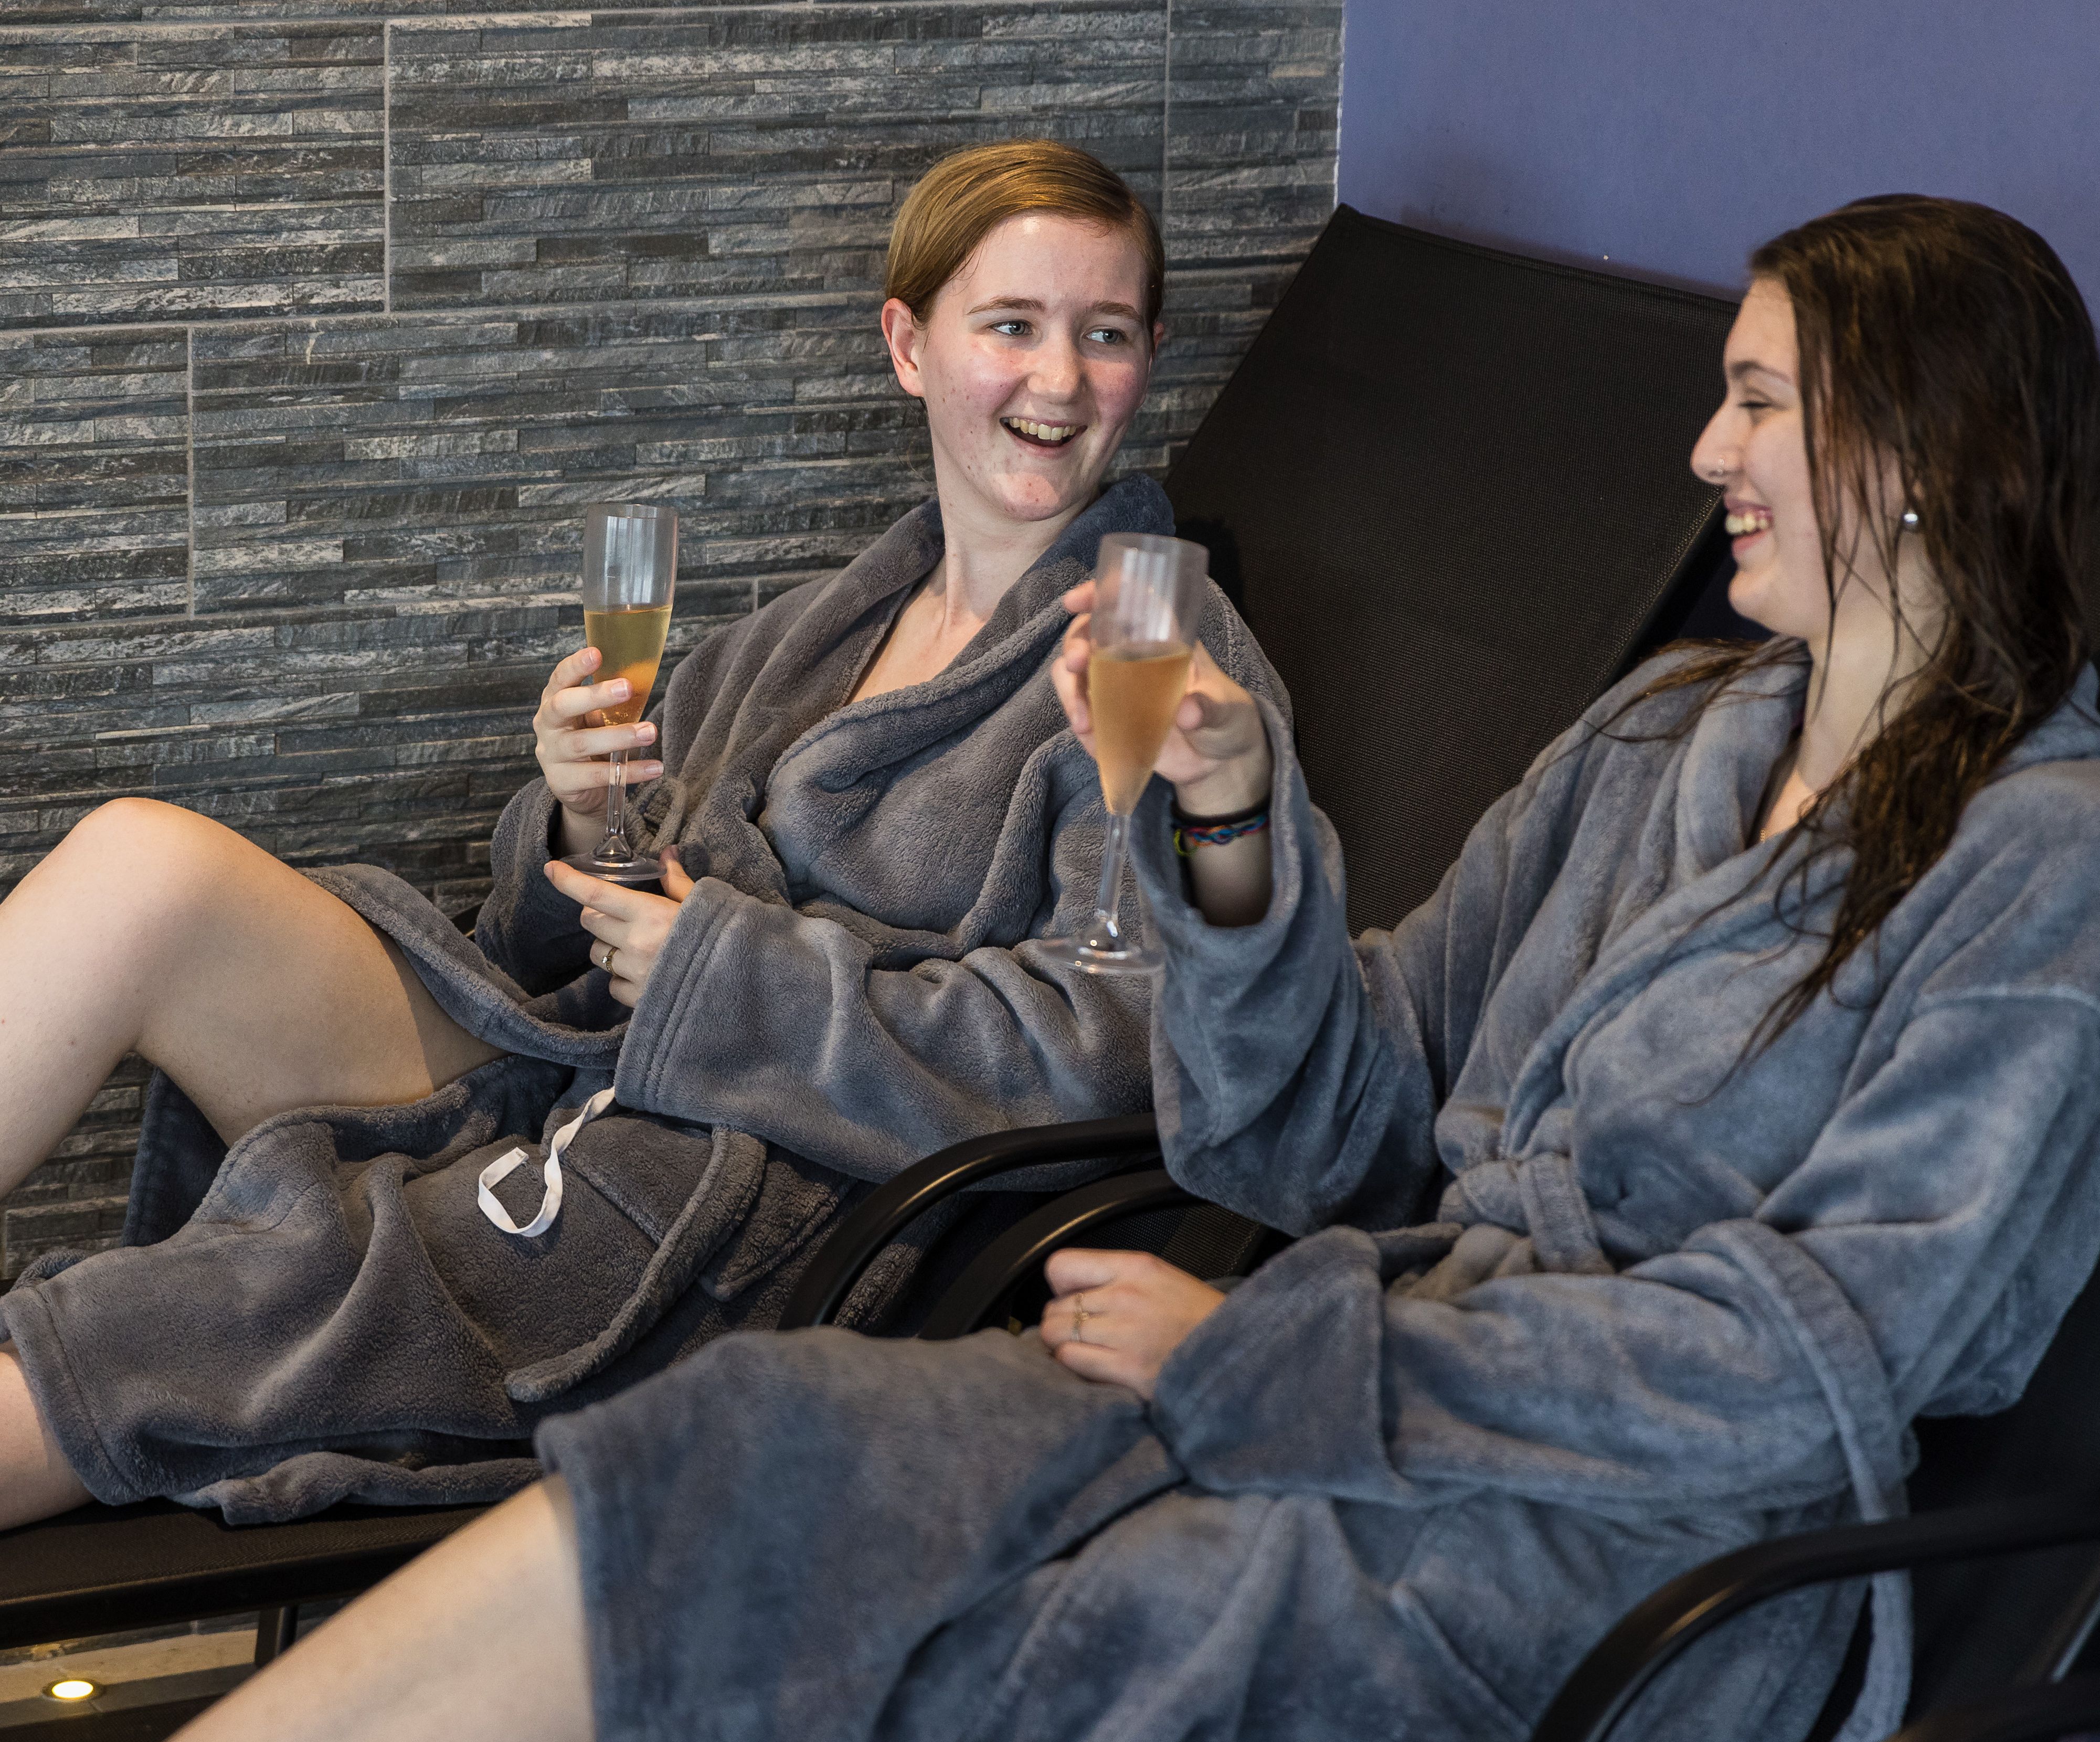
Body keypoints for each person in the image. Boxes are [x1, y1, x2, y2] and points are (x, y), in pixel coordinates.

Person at [9, 194, 2100, 1742]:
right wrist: (1229, 839)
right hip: (1311, 1374)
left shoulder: (2043, 861)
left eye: (1755, 402)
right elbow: (1342, 1106)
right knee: (756, 1457)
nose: (1701, 453)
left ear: (1933, 457)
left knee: (912, 1679)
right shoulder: (1668, 734)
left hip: (1610, 1562)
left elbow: (1823, 1351)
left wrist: (1288, 1353)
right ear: (910, 342)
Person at [0, 139, 1282, 1531]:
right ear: (908, 344)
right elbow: (561, 936)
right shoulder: (809, 629)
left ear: (1149, 355)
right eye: (1011, 326)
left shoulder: (1162, 656)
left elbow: (1125, 1033)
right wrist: (587, 812)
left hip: (739, 1178)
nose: (1056, 379)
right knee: (143, 867)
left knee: (131, 1341)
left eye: (1103, 334)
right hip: (576, 1058)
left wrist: (727, 980)